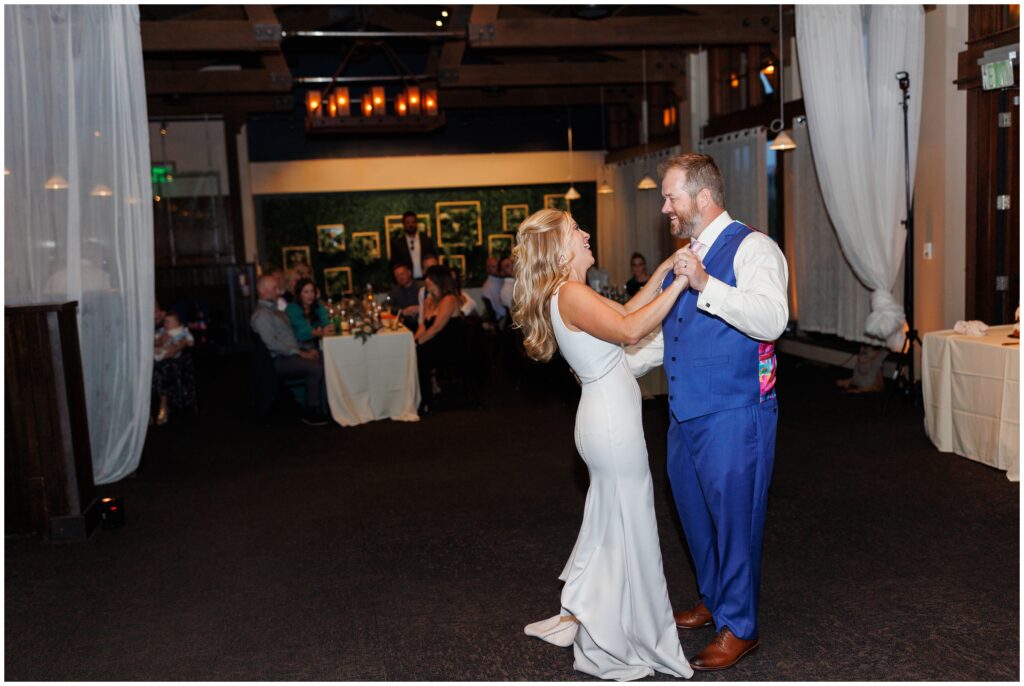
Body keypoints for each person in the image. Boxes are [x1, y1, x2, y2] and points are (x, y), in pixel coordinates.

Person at [513, 208, 694, 682]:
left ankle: (597, 617)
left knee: (615, 525)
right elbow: (634, 330)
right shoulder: (569, 293)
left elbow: (630, 310)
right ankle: (622, 637)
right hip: (611, 424)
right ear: (559, 246)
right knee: (630, 527)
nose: (587, 233)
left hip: (605, 419)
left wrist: (670, 265)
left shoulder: (571, 292)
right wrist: (683, 282)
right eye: (577, 229)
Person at [656, 153, 789, 670]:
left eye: (671, 196)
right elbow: (675, 329)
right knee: (693, 513)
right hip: (685, 411)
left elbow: (772, 318)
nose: (665, 206)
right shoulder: (687, 253)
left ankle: (741, 626)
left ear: (702, 197)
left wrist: (708, 284)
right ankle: (714, 600)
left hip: (737, 410)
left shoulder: (755, 247)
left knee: (735, 520)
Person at [250, 274, 330, 426]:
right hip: (275, 362)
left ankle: (326, 406)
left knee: (326, 358)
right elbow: (273, 345)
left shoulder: (274, 311)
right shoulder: (262, 314)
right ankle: (311, 411)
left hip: (288, 355)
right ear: (263, 291)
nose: (279, 292)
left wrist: (304, 349)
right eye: (275, 289)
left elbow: (288, 339)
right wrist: (301, 353)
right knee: (315, 367)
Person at [414, 265, 462, 415]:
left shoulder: (450, 299)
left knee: (420, 354)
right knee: (414, 351)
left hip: (449, 346)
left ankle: (426, 400)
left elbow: (437, 327)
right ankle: (415, 397)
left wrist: (418, 344)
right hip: (436, 343)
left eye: (429, 278)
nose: (426, 280)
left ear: (438, 280)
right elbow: (424, 325)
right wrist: (413, 340)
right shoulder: (430, 300)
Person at [152, 312, 195, 425]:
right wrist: (158, 341)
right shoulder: (162, 329)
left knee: (163, 367)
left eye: (169, 322)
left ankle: (164, 405)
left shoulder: (180, 330)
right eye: (165, 322)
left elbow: (188, 340)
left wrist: (179, 346)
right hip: (161, 350)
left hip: (174, 355)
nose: (166, 324)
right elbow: (155, 338)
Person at [285, 278, 333, 349]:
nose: (310, 295)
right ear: (299, 294)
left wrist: (325, 327)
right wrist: (321, 332)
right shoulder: (292, 308)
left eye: (312, 291)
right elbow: (302, 333)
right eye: (306, 292)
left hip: (314, 346)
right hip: (296, 347)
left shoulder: (317, 306)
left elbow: (325, 322)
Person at [389, 210, 438, 279]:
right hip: (407, 282)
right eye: (407, 223)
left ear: (416, 223)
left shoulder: (427, 241)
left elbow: (434, 259)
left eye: (413, 222)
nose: (411, 225)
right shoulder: (397, 244)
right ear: (403, 224)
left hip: (426, 279)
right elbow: (394, 265)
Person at [388, 263, 421, 331]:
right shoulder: (395, 290)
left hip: (421, 324)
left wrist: (419, 308)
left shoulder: (421, 287)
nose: (400, 277)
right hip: (404, 325)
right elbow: (388, 306)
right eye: (397, 276)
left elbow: (434, 304)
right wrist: (402, 311)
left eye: (402, 274)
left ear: (409, 272)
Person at [481, 256, 507, 323]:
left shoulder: (502, 279)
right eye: (493, 266)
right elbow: (499, 309)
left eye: (498, 266)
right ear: (487, 269)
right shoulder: (489, 286)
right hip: (502, 319)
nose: (498, 269)